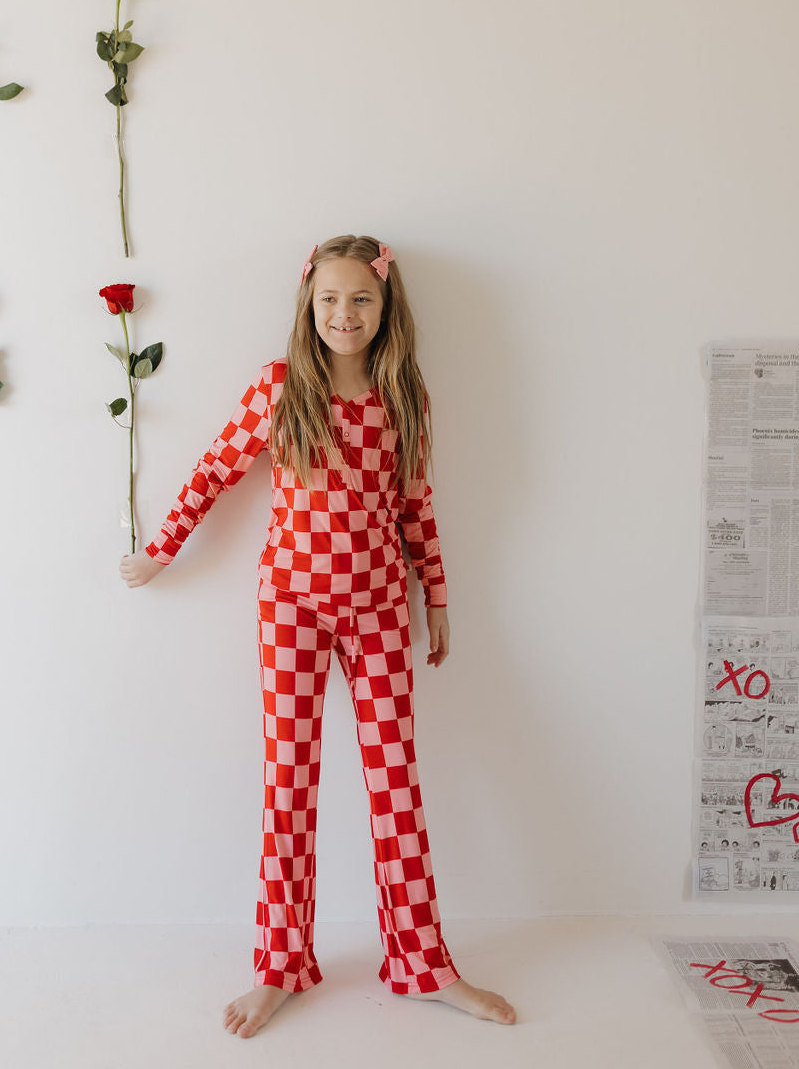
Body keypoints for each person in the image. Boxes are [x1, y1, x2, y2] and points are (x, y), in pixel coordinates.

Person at [120, 234, 517, 1039]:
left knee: (394, 785)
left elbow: (416, 508)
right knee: (288, 785)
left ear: (385, 308)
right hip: (290, 609)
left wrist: (435, 596)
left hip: (377, 610)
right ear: (308, 302)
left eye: (361, 299)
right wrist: (162, 550)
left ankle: (423, 962)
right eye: (330, 298)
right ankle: (280, 964)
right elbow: (212, 473)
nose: (344, 313)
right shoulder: (281, 391)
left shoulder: (404, 397)